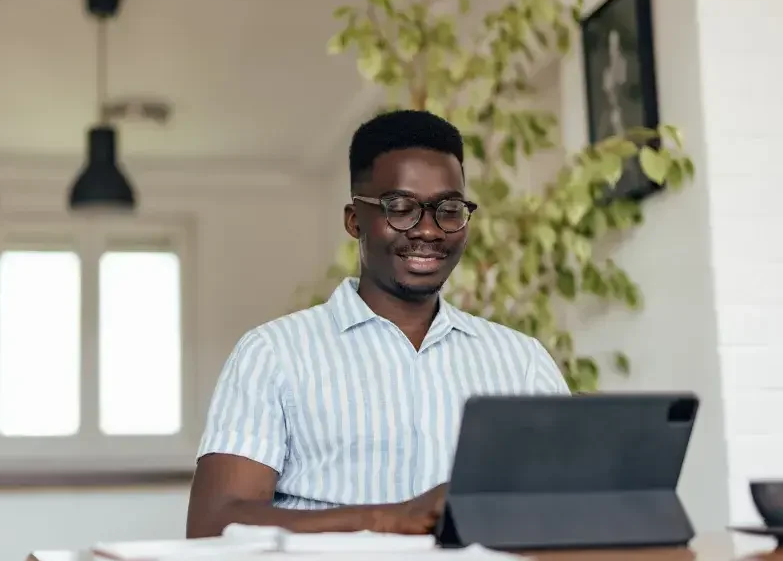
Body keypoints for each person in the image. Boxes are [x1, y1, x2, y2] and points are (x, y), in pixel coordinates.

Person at [186, 110, 570, 539]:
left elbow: (572, 505)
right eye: (401, 208)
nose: (428, 230)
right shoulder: (273, 354)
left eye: (449, 209)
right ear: (355, 221)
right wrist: (382, 519)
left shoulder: (521, 362)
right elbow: (213, 524)